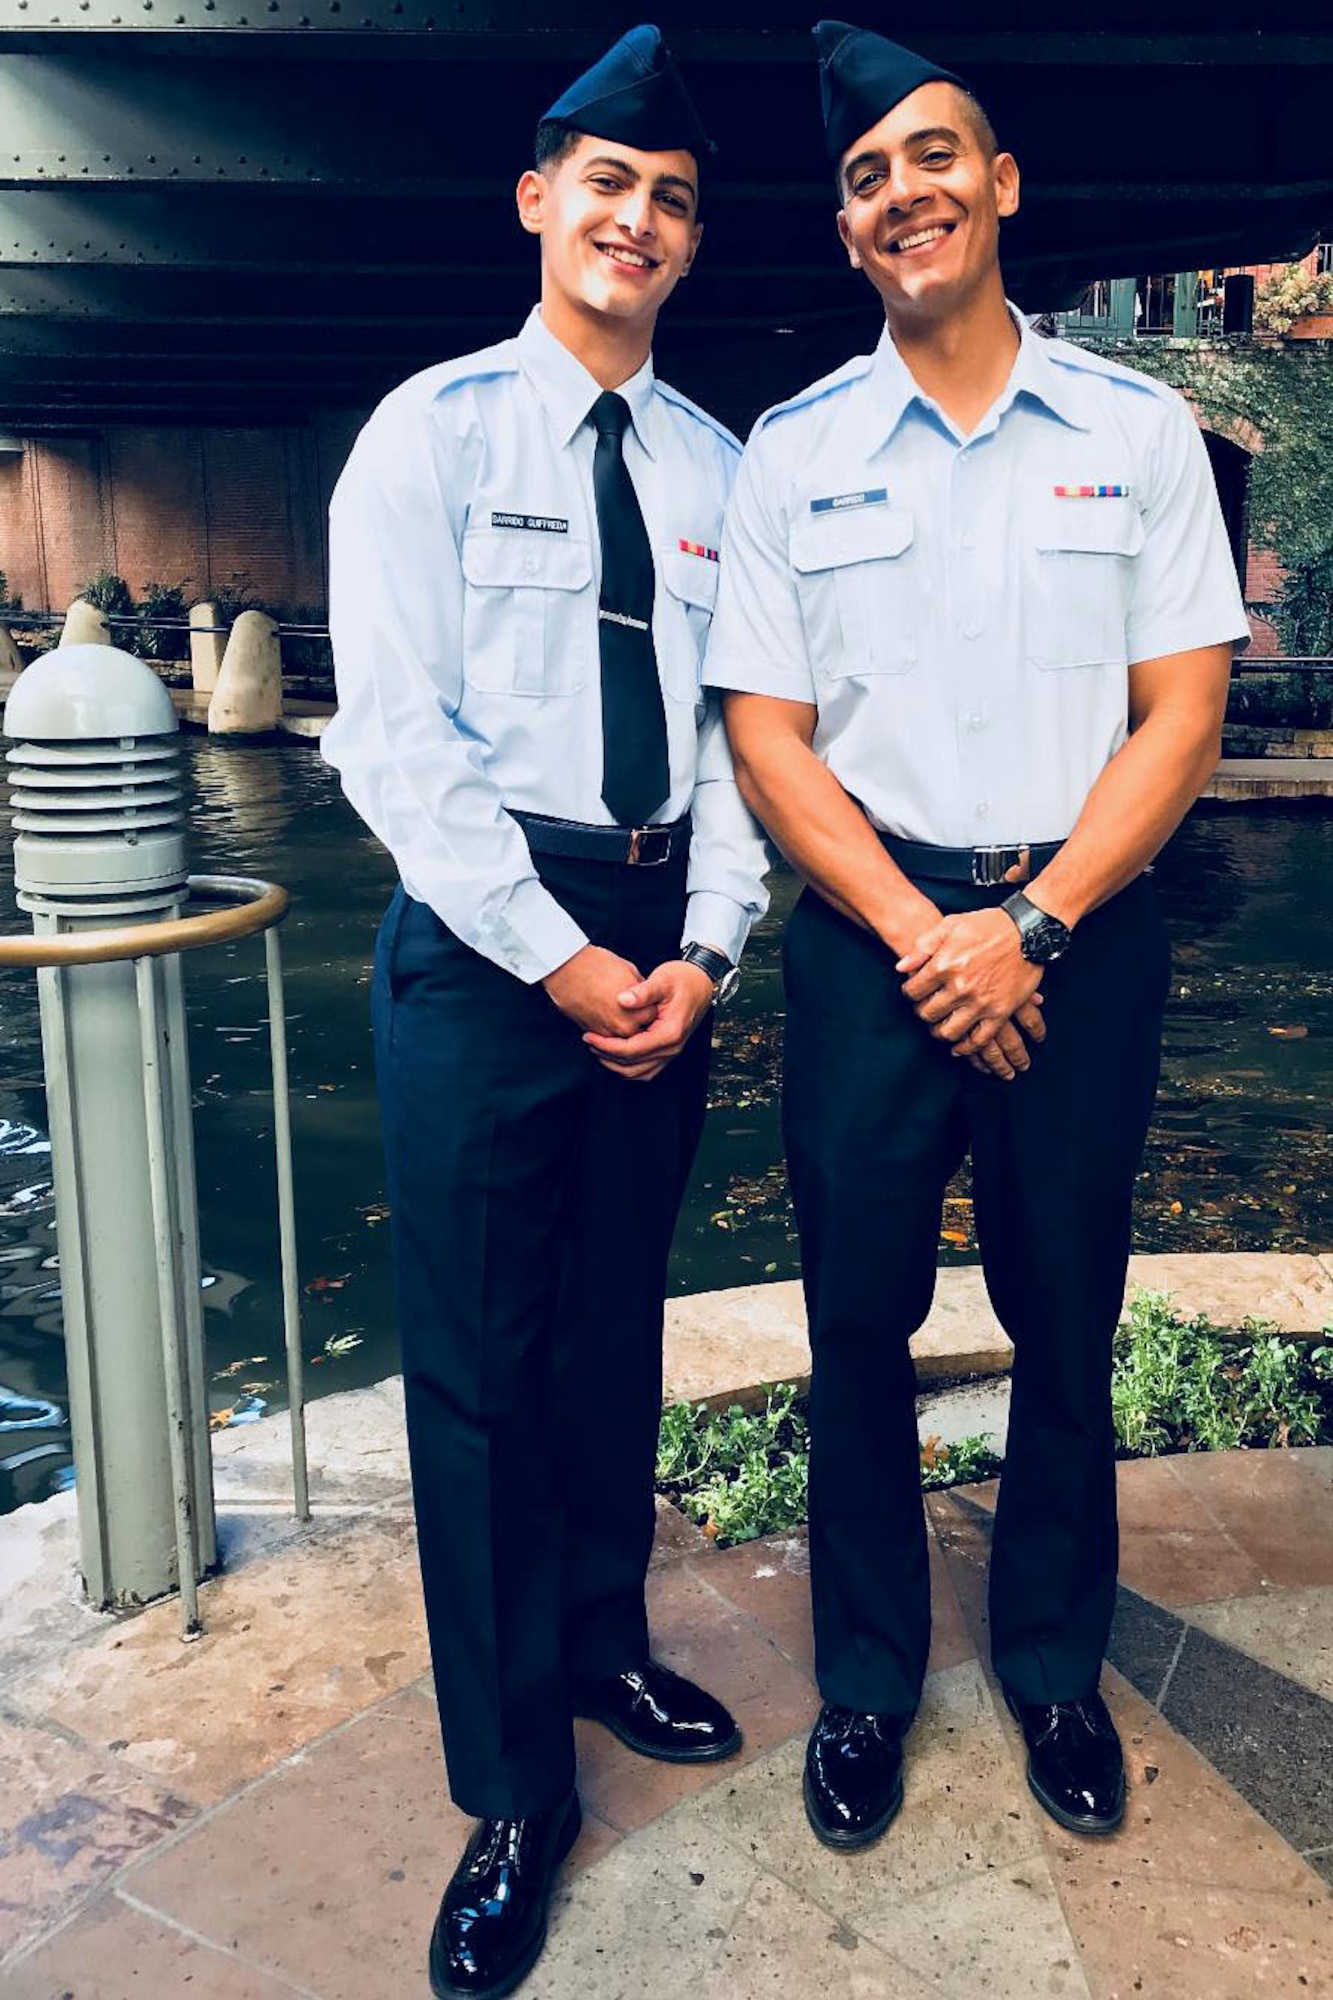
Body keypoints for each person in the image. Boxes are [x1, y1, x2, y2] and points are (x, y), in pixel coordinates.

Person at [704, 20, 1248, 1853]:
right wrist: (929, 933)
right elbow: (767, 734)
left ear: (999, 184)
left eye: (930, 157)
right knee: (855, 1319)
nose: (901, 193)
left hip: (1073, 927)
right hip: (874, 941)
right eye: (865, 177)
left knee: (1065, 1320)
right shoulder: (795, 452)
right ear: (848, 230)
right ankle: (864, 1681)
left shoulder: (1134, 427)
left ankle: (1046, 1668)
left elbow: (1180, 711)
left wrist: (1025, 921)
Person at [323, 26, 768, 1996]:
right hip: (489, 941)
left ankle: (600, 1639)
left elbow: (751, 743)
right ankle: (515, 1790)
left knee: (607, 1341)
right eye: (608, 184)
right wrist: (563, 954)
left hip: (662, 935)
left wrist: (710, 948)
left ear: (689, 240)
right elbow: (392, 749)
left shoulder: (721, 472)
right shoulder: (428, 436)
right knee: (485, 1375)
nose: (637, 221)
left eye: (670, 198)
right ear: (539, 202)